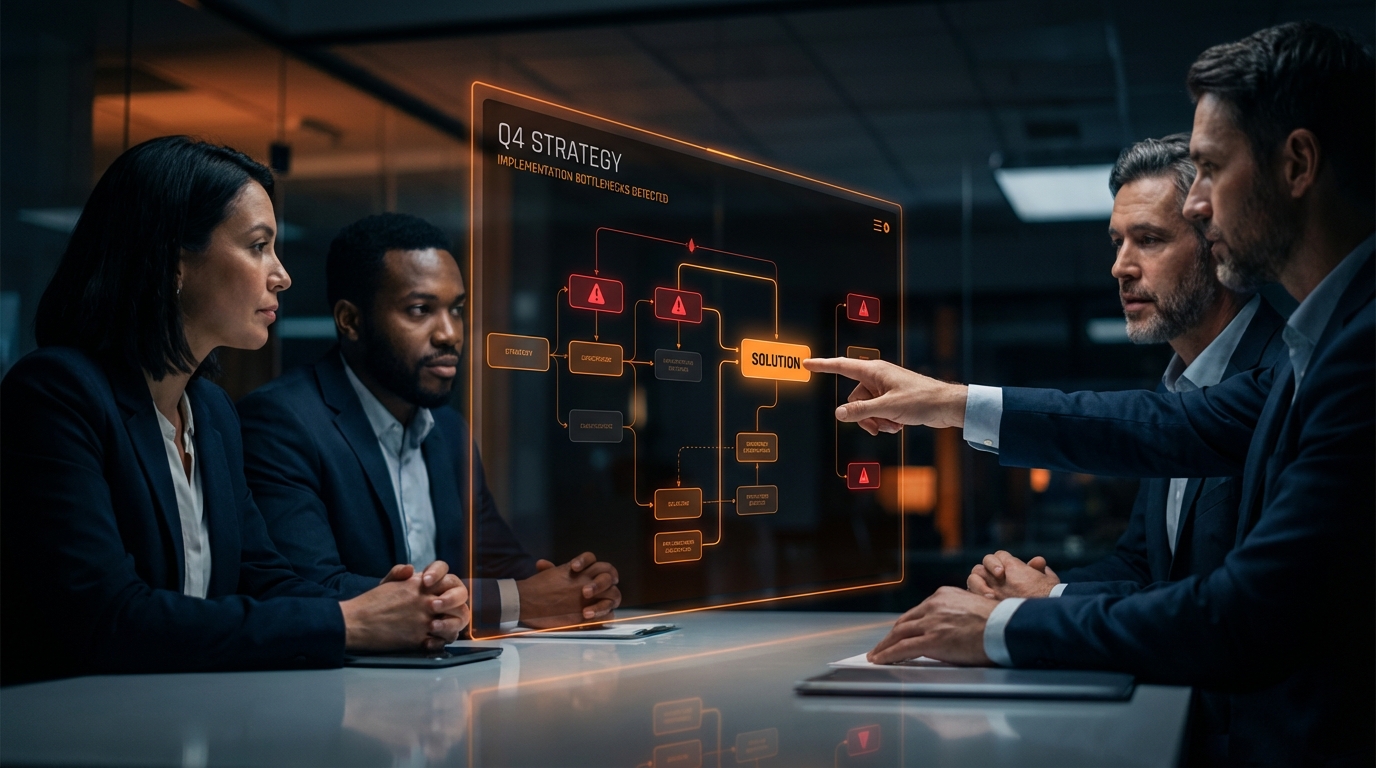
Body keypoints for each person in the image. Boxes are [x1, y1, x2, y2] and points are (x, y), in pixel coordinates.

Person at [806, 22, 1373, 766]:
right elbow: (1159, 444)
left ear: (1297, 163)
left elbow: (1244, 614)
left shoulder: (1356, 349)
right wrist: (948, 405)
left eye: (1209, 168)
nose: (1199, 205)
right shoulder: (1317, 347)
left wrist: (1008, 626)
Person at [0, 137, 470, 685]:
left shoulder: (212, 412)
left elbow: (263, 578)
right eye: (258, 246)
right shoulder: (55, 393)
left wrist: (409, 603)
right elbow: (109, 618)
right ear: (174, 262)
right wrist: (348, 622)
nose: (282, 275)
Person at [238, 213, 622, 630]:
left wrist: (576, 588)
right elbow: (310, 588)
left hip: (449, 687)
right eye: (420, 310)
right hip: (339, 690)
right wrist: (518, 600)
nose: (450, 334)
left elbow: (501, 562)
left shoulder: (449, 432)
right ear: (350, 321)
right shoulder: (281, 422)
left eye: (456, 310)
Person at [967, 133, 1285, 604]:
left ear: (1216, 245)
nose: (1120, 267)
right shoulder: (1174, 387)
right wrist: (1045, 591)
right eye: (1118, 242)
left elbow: (1235, 603)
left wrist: (1051, 604)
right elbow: (1144, 564)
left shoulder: (1285, 372)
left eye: (1149, 240)